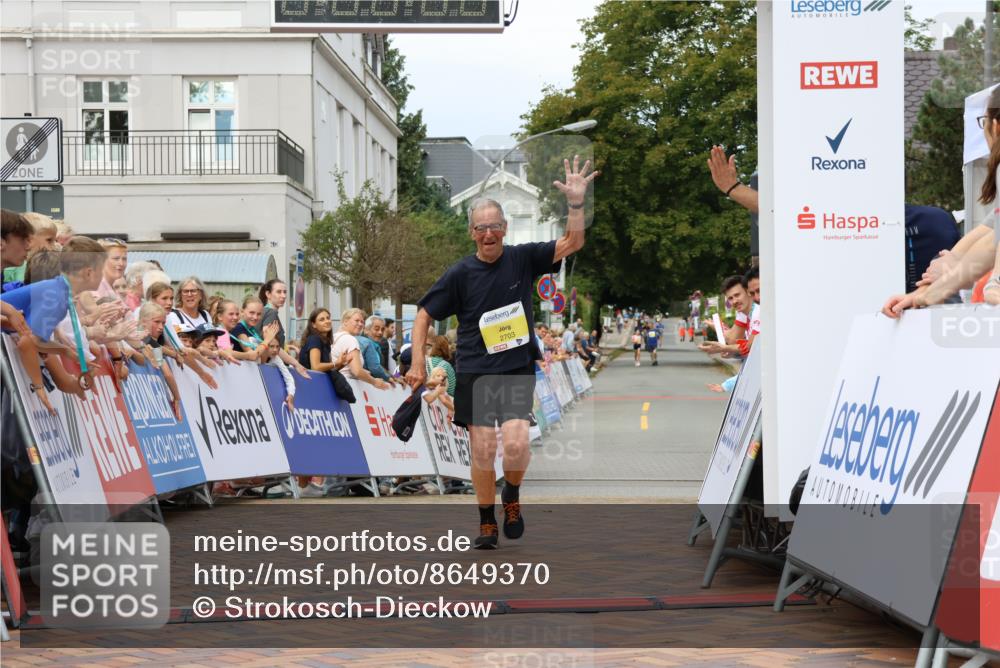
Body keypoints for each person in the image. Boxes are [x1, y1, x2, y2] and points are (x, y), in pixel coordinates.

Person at [405, 156, 598, 549]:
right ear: (472, 233)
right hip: (475, 369)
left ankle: (510, 495)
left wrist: (576, 205)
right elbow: (425, 312)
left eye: (495, 226)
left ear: (505, 230)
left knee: (514, 444)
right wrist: (417, 359)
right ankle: (485, 520)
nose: (489, 233)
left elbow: (573, 242)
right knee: (482, 448)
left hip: (514, 368)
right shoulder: (460, 273)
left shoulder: (523, 258)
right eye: (481, 227)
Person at [334, 308, 390, 389]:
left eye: (362, 322)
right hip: (349, 386)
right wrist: (376, 381)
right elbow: (359, 371)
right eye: (357, 321)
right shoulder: (351, 340)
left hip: (341, 384)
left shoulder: (335, 337)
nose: (360, 324)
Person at [357, 315, 393, 384]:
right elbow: (375, 368)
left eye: (382, 330)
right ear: (366, 330)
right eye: (376, 329)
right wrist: (391, 378)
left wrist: (395, 376)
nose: (380, 332)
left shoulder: (376, 344)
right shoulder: (368, 343)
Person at [259, 279, 288, 348]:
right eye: (279, 292)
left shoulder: (265, 311)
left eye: (285, 292)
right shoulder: (271, 313)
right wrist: (292, 359)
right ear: (268, 294)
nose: (283, 296)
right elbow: (271, 345)